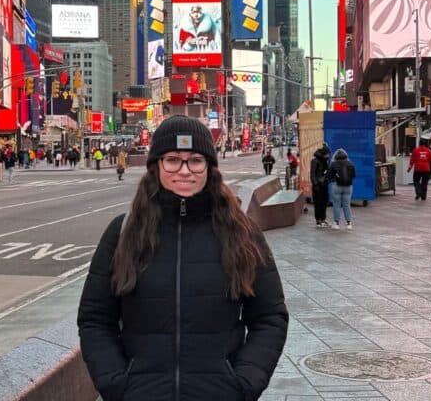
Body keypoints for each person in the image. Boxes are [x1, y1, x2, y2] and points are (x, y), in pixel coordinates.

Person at [77, 115, 288, 401]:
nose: (185, 170)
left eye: (195, 160)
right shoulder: (123, 231)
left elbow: (269, 317)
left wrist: (243, 383)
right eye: (173, 159)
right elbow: (95, 319)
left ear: (209, 167)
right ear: (156, 166)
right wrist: (117, 384)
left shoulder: (241, 232)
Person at [327, 148, 356, 230]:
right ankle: (349, 223)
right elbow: (354, 175)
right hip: (348, 187)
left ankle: (336, 223)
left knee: (336, 205)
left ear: (336, 156)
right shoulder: (350, 163)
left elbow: (329, 176)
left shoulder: (333, 164)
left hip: (336, 186)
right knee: (347, 205)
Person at [310, 145, 331, 228]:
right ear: (323, 154)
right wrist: (315, 184)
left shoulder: (325, 161)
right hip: (318, 186)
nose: (328, 155)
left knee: (324, 203)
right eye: (327, 154)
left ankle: (323, 219)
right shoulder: (315, 161)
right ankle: (318, 220)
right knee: (318, 203)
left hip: (324, 185)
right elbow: (312, 173)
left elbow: (327, 172)